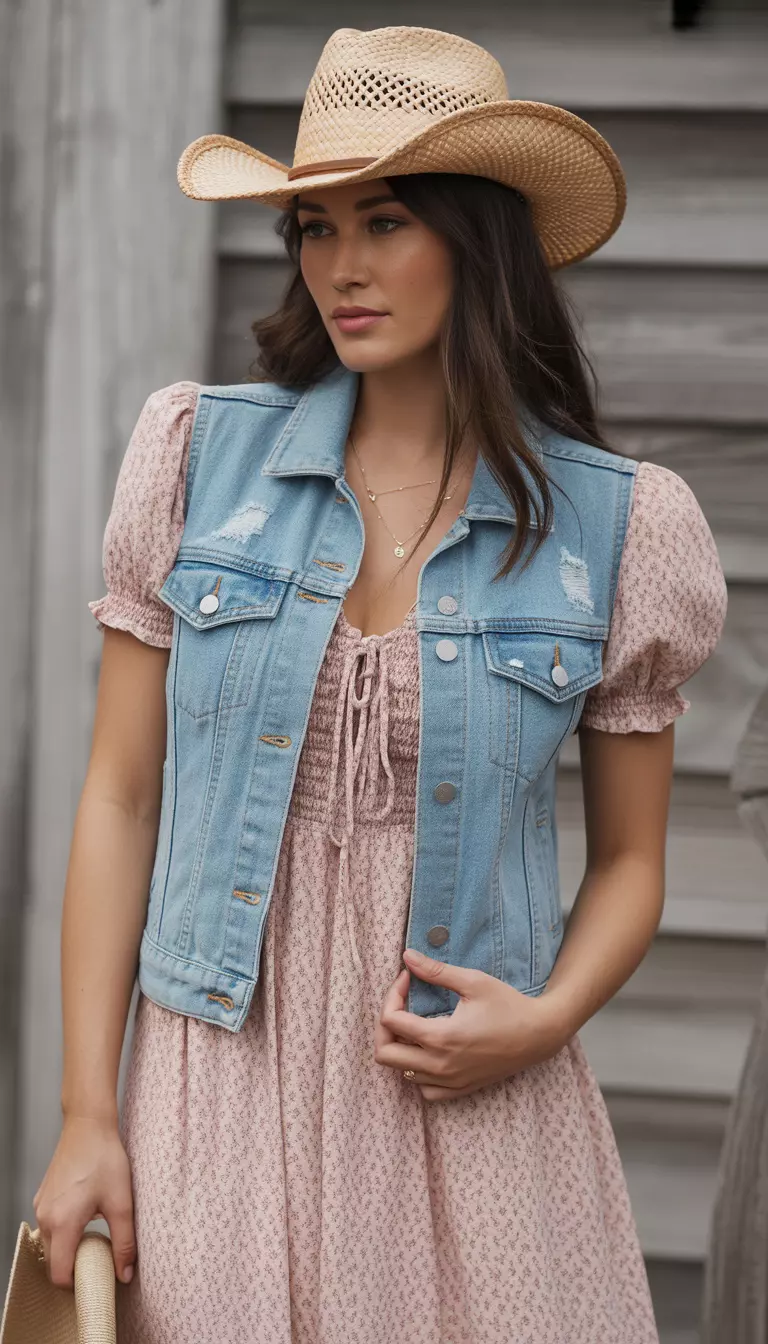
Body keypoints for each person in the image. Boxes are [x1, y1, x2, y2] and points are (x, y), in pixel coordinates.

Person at [33, 24, 728, 1344]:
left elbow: (634, 861)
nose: (341, 267)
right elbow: (121, 796)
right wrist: (85, 1117)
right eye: (314, 226)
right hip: (216, 1080)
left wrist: (545, 1021)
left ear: (483, 238)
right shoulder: (193, 462)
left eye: (388, 220)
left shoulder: (621, 528)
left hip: (471, 1107)